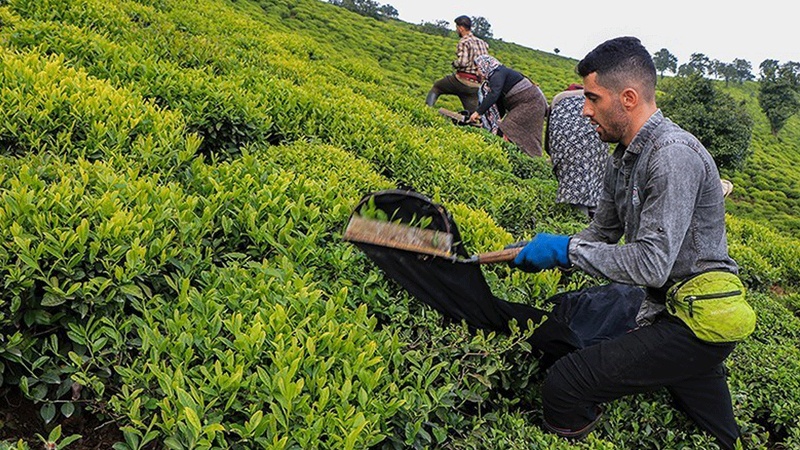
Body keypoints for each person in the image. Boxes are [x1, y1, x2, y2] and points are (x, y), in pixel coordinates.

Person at [510, 37, 746, 449]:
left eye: (592, 98)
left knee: (566, 383)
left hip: (697, 318)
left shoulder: (672, 155)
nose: (584, 110)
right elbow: (601, 233)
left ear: (629, 98)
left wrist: (566, 249)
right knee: (718, 432)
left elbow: (652, 264)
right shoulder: (622, 158)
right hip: (668, 306)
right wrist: (545, 252)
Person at [545, 83, 610, 218]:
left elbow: (549, 133)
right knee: (594, 181)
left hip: (566, 143)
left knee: (574, 185)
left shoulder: (560, 98)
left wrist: (552, 153)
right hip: (597, 143)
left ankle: (579, 221)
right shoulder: (595, 98)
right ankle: (593, 217)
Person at [468, 55, 549, 158]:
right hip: (527, 103)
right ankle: (523, 157)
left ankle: (522, 158)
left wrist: (478, 112)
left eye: (477, 69)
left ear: (485, 65)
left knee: (508, 127)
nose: (477, 73)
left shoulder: (498, 73)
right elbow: (500, 102)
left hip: (531, 103)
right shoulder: (496, 75)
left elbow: (494, 94)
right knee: (514, 130)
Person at [425, 15, 489, 113]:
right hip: (476, 85)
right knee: (473, 115)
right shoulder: (483, 43)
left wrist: (455, 63)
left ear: (461, 28)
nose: (456, 30)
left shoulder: (464, 42)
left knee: (437, 87)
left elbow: (463, 63)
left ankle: (426, 110)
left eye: (457, 28)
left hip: (462, 80)